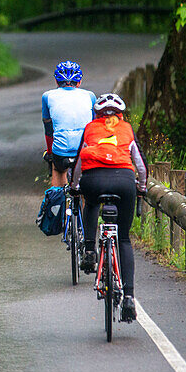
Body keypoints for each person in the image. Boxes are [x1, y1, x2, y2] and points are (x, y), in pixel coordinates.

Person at [72, 92, 147, 322]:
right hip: (124, 182)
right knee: (123, 239)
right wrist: (141, 188)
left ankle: (90, 249)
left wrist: (75, 186)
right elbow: (141, 167)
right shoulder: (127, 129)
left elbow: (78, 164)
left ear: (97, 114)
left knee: (92, 202)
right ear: (121, 114)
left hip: (93, 181)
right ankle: (129, 298)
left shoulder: (90, 129)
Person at [41, 61, 97, 188]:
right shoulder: (90, 96)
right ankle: (83, 204)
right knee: (84, 181)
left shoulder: (47, 96)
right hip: (84, 150)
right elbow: (93, 128)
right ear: (79, 82)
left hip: (61, 151)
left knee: (58, 169)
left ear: (56, 82)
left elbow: (48, 129)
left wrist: (50, 152)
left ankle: (57, 202)